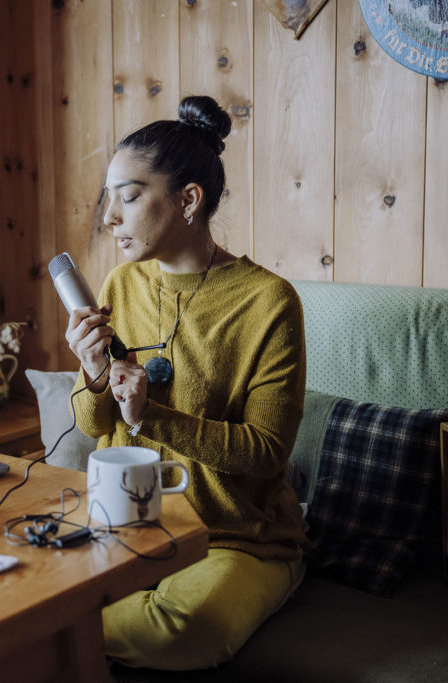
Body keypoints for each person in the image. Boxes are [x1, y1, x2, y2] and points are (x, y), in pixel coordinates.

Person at [64, 95, 310, 672]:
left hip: (235, 536)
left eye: (127, 197)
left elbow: (266, 452)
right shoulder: (122, 283)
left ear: (189, 199)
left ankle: (284, 576)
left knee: (174, 634)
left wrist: (150, 415)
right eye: (110, 199)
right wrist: (94, 376)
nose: (109, 218)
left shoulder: (268, 302)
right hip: (129, 522)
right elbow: (93, 425)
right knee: (27, 590)